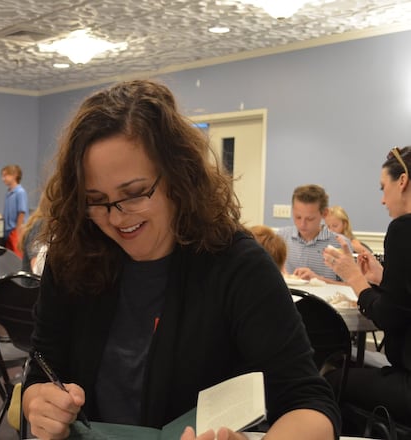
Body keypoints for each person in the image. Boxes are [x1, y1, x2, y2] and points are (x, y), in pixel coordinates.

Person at [21, 79, 339, 440]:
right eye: (95, 200)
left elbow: (310, 403)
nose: (117, 216)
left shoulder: (237, 265)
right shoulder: (72, 257)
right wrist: (38, 401)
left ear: (179, 175)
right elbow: (41, 370)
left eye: (136, 193)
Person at [323, 146, 411, 429]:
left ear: (403, 181)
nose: (383, 200)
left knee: (328, 379)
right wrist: (383, 278)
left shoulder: (403, 229)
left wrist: (355, 279)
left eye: (383, 188)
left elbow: (390, 317)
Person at [276, 184, 351, 283]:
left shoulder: (340, 243)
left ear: (324, 213)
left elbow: (352, 287)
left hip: (325, 298)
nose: (302, 224)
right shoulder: (281, 237)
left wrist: (318, 279)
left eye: (310, 219)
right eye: (298, 217)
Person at [1, 163, 28, 257]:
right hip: (8, 230)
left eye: (6, 175)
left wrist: (18, 230)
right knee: (9, 255)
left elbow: (22, 212)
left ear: (15, 175)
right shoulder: (9, 193)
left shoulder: (20, 192)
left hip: (15, 230)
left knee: (17, 255)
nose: (3, 178)